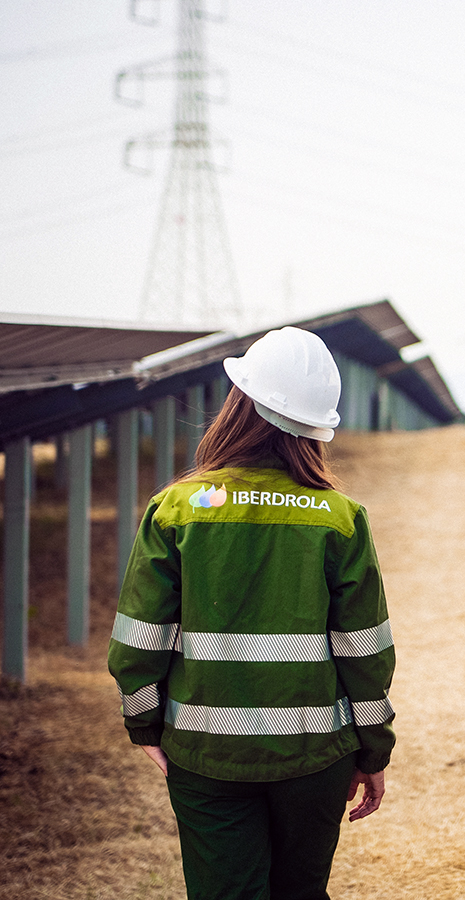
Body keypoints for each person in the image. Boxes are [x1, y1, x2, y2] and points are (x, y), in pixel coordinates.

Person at [108, 326, 396, 900]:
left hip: (206, 753)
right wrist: (372, 747)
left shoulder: (178, 508)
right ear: (315, 429)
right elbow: (364, 649)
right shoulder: (339, 516)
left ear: (238, 405)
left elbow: (139, 641)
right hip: (316, 754)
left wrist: (145, 723)